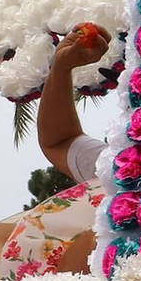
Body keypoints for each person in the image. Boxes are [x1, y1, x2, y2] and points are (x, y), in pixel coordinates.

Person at [36, 24, 112, 185]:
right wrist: (61, 66)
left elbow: (60, 143)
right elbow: (61, 142)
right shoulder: (130, 169)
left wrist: (61, 67)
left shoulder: (128, 172)